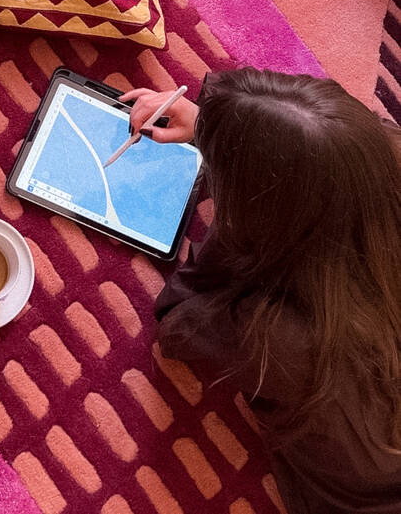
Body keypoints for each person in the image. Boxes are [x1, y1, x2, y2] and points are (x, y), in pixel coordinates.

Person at [121, 68, 401, 514]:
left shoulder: (279, 336)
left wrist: (233, 218)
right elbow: (332, 139)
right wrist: (216, 128)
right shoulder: (387, 152)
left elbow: (175, 323)